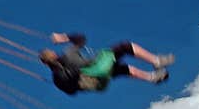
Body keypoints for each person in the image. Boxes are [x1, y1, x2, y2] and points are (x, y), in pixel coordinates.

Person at [40, 32, 175, 95]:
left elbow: (70, 91)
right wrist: (64, 37)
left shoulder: (57, 78)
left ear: (46, 64)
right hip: (98, 66)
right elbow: (81, 39)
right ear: (55, 54)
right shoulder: (68, 53)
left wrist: (81, 82)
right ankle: (156, 61)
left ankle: (152, 78)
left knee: (122, 70)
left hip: (96, 82)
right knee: (125, 47)